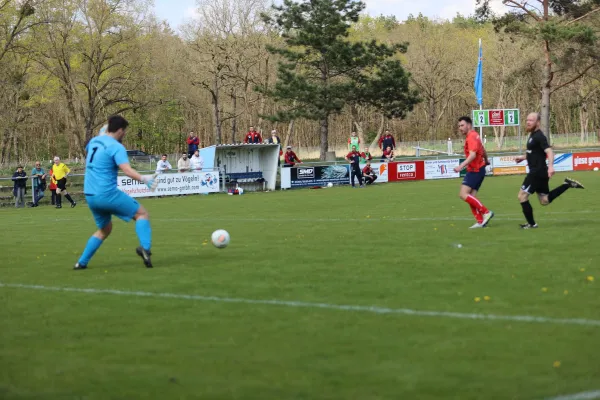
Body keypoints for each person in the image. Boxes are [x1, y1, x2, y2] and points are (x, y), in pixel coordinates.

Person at [74, 115, 158, 270]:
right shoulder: (116, 147)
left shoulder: (93, 142)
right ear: (119, 130)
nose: (124, 134)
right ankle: (145, 248)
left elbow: (95, 147)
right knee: (141, 214)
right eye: (124, 131)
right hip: (106, 194)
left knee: (105, 229)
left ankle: (81, 263)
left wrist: (103, 133)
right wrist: (144, 178)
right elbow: (126, 170)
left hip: (90, 196)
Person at [516, 112, 584, 229]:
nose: (528, 122)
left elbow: (549, 151)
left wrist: (551, 166)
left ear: (537, 122)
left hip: (536, 173)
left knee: (522, 196)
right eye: (527, 120)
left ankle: (532, 224)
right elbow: (533, 152)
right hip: (540, 172)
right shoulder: (533, 135)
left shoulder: (539, 136)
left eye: (531, 120)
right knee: (544, 200)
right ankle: (566, 185)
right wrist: (523, 158)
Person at [453, 116, 494, 228]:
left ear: (469, 125)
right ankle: (480, 221)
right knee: (471, 196)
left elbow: (472, 155)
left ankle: (486, 212)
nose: (460, 128)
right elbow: (482, 149)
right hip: (480, 169)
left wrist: (460, 166)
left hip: (475, 169)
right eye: (459, 126)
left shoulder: (471, 136)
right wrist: (486, 159)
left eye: (462, 125)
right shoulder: (475, 135)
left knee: (463, 194)